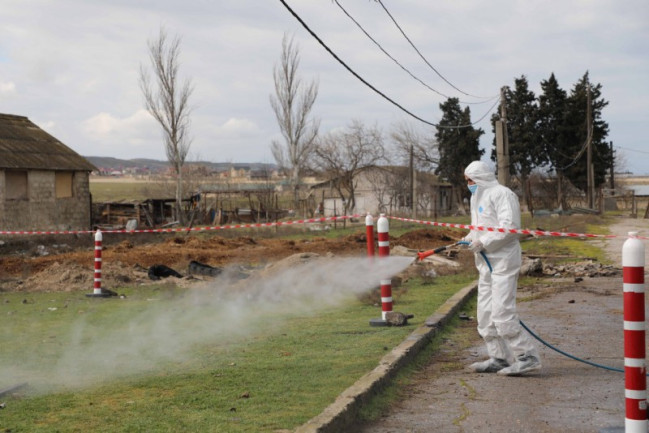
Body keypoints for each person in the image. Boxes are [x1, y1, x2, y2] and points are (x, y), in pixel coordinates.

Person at [462, 160, 541, 376]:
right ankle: (498, 357)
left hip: (503, 260)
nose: (468, 184)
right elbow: (479, 226)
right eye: (467, 180)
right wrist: (469, 238)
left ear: (481, 177)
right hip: (485, 263)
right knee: (485, 313)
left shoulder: (502, 194)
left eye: (471, 179)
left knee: (501, 312)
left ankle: (527, 357)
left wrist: (484, 241)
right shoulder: (476, 196)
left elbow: (510, 228)